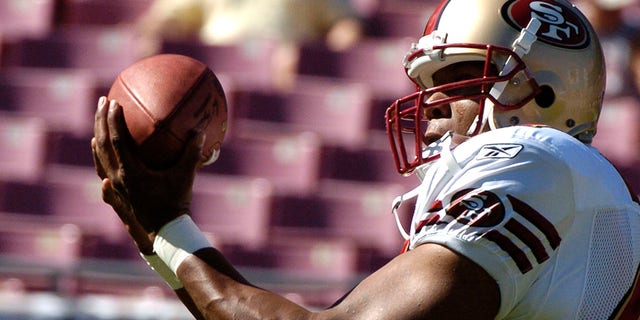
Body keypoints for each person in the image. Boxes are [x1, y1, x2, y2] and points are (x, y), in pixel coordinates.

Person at [91, 0, 640, 318]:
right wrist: (162, 236)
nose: (429, 105)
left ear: (542, 91)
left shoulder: (536, 159)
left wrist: (166, 227)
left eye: (458, 79)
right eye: (426, 84)